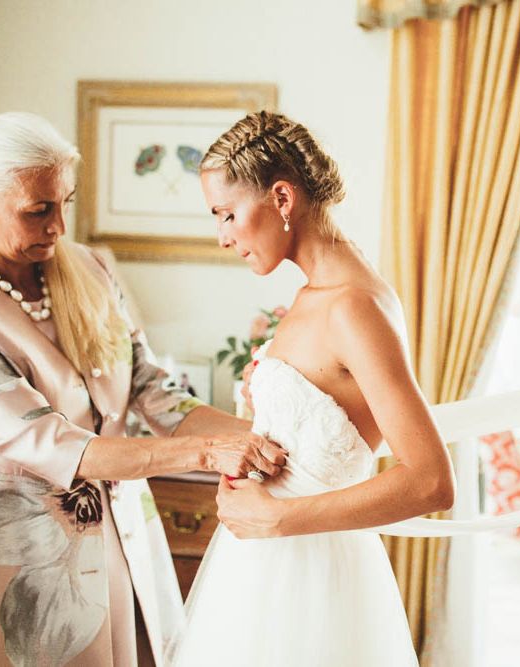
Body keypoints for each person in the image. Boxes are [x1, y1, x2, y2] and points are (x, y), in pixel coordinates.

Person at [0, 112, 287, 666]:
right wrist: (208, 452)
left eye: (64, 202)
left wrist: (276, 435)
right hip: (5, 559)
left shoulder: (92, 270)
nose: (58, 227)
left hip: (116, 538)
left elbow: (153, 391)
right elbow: (51, 443)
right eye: (38, 210)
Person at [170, 111, 456, 666]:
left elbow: (431, 482)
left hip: (311, 577)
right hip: (259, 572)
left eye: (228, 214)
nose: (222, 237)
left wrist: (276, 518)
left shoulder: (353, 306)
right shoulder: (315, 296)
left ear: (281, 198)